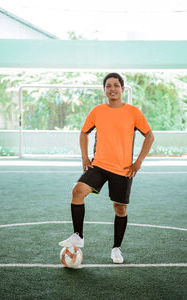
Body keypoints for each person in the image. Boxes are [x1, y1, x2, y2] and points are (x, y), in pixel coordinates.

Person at [59, 72, 154, 263]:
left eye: (116, 85)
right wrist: (85, 157)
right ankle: (78, 235)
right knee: (77, 191)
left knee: (120, 210)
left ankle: (116, 249)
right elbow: (84, 133)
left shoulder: (133, 112)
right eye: (108, 86)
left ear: (122, 89)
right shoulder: (97, 111)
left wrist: (139, 162)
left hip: (123, 169)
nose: (112, 89)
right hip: (99, 165)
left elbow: (149, 136)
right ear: (104, 90)